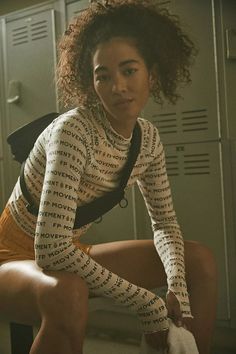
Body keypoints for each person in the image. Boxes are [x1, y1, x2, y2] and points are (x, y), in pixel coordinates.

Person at [0, 1, 217, 353]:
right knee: (67, 292)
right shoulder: (73, 131)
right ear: (92, 83)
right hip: (11, 257)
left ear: (153, 76)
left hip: (68, 254)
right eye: (103, 76)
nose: (117, 86)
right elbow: (51, 247)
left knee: (199, 262)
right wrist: (146, 303)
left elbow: (164, 224)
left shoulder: (147, 140)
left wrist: (177, 286)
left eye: (129, 70)